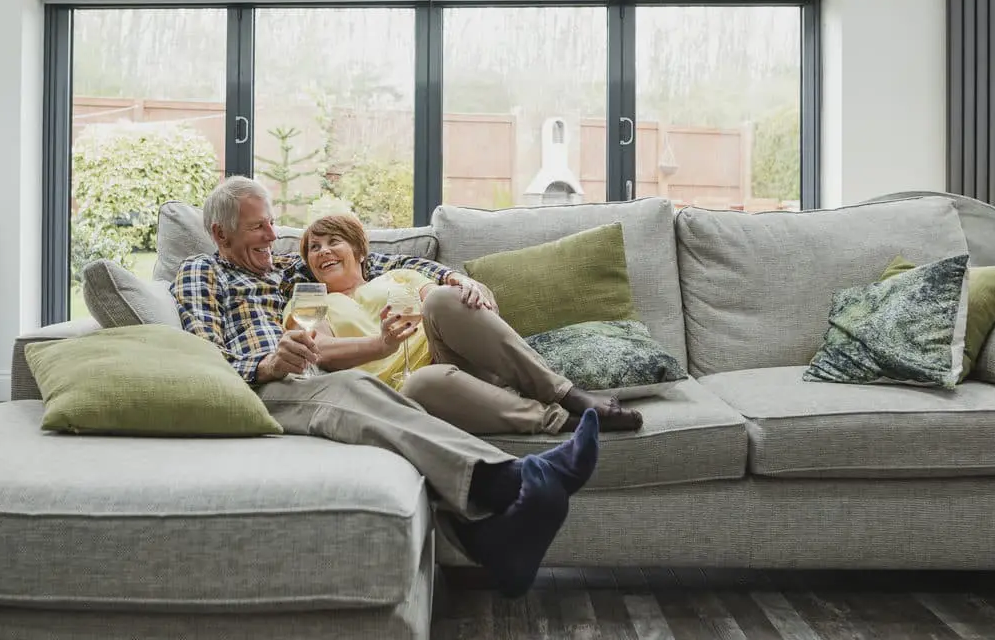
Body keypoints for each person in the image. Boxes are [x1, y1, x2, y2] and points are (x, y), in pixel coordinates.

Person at [171, 176, 600, 598]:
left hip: (314, 376)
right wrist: (266, 364)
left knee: (361, 387)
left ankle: (491, 533)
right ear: (219, 233)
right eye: (257, 227)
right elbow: (205, 355)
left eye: (270, 222)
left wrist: (451, 279)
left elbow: (373, 265)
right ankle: (516, 480)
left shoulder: (285, 267)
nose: (272, 234)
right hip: (263, 388)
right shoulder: (202, 271)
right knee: (354, 388)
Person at [293, 213, 645, 435]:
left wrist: (469, 288)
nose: (322, 251)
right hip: (410, 394)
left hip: (457, 359)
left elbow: (448, 303)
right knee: (423, 382)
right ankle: (559, 420)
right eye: (313, 248)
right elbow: (318, 350)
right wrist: (380, 344)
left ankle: (570, 395)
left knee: (443, 298)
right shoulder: (310, 301)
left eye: (333, 241)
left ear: (359, 251)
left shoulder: (400, 276)